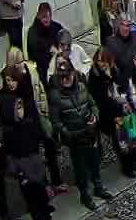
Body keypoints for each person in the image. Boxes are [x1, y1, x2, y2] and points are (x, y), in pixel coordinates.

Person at [49, 57, 112, 210]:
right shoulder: (56, 96)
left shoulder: (82, 87)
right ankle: (85, 195)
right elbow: (56, 121)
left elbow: (92, 105)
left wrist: (95, 117)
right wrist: (68, 133)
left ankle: (98, 188)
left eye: (68, 76)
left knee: (94, 162)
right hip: (74, 137)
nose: (66, 80)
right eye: (63, 78)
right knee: (81, 169)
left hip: (89, 133)